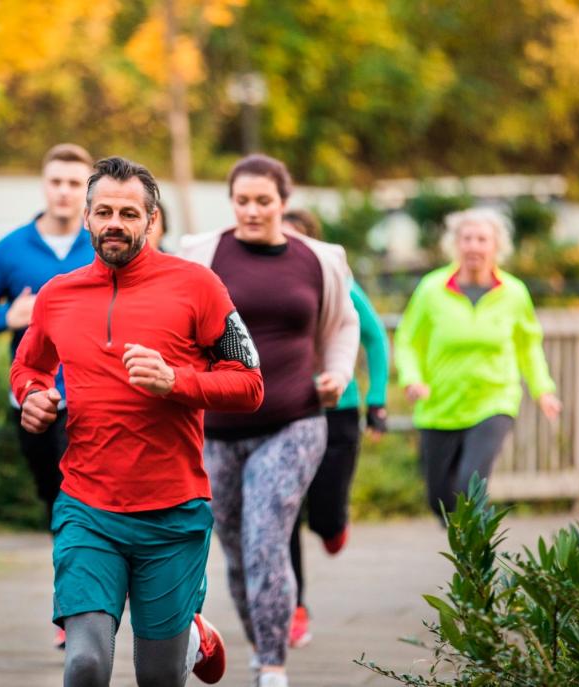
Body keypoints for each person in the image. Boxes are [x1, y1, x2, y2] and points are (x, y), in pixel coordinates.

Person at [11, 156, 264, 687]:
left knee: (159, 677)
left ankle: (190, 635)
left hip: (173, 513)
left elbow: (249, 384)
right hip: (88, 506)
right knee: (84, 664)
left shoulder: (199, 285)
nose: (115, 224)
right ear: (86, 217)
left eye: (129, 213)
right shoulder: (57, 294)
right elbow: (30, 365)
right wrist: (32, 395)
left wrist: (177, 381)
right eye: (103, 211)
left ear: (151, 220)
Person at [179, 154, 359, 687]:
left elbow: (344, 323)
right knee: (234, 549)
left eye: (264, 201)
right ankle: (263, 639)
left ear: (285, 201)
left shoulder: (319, 258)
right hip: (217, 428)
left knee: (266, 540)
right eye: (242, 201)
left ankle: (272, 666)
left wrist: (338, 373)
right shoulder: (201, 253)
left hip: (294, 420)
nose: (252, 211)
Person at [0, 143, 94, 647]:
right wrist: (7, 318)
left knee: (74, 500)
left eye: (75, 183)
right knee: (55, 500)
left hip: (92, 399)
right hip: (36, 399)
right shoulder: (12, 249)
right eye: (56, 181)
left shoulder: (99, 245)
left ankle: (75, 610)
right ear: (44, 185)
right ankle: (78, 594)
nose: (64, 192)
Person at [394, 207, 561, 519]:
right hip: (439, 404)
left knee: (470, 483)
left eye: (482, 239)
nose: (474, 246)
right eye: (467, 238)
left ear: (496, 246)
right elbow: (407, 340)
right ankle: (467, 546)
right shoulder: (431, 289)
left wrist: (543, 391)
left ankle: (478, 559)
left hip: (493, 400)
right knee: (439, 500)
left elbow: (528, 347)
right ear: (455, 244)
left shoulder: (513, 293)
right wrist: (412, 378)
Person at [280, 208, 389, 649]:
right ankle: (294, 608)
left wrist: (377, 400)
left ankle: (333, 524)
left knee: (324, 516)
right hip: (284, 410)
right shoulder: (258, 282)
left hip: (337, 411)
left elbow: (375, 337)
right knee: (283, 512)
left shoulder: (336, 280)